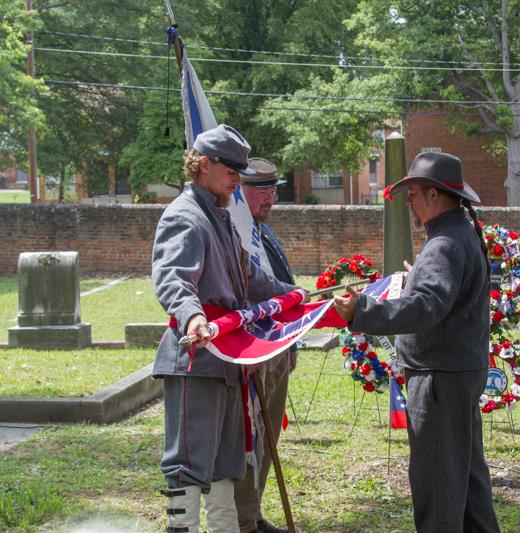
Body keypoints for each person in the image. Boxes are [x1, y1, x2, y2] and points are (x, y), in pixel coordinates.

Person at [333, 152, 500, 533]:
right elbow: (440, 296)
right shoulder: (457, 234)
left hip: (439, 378)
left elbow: (428, 306)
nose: (408, 201)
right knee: (468, 484)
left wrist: (363, 311)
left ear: (435, 195)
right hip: (455, 372)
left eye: (413, 193)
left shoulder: (444, 244)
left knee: (438, 487)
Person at [152, 124, 300, 533]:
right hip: (196, 356)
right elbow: (173, 279)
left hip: (229, 358)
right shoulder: (185, 216)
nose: (238, 178)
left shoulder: (218, 216)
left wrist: (299, 296)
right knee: (187, 465)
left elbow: (251, 278)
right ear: (203, 165)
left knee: (225, 464)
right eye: (232, 170)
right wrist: (194, 317)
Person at [233, 158, 296, 533]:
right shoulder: (235, 234)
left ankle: (253, 514)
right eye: (262, 190)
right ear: (240, 193)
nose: (272, 196)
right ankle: (242, 520)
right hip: (250, 352)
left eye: (274, 188)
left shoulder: (264, 233)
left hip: (275, 347)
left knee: (268, 436)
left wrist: (291, 346)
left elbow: (279, 284)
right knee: (248, 437)